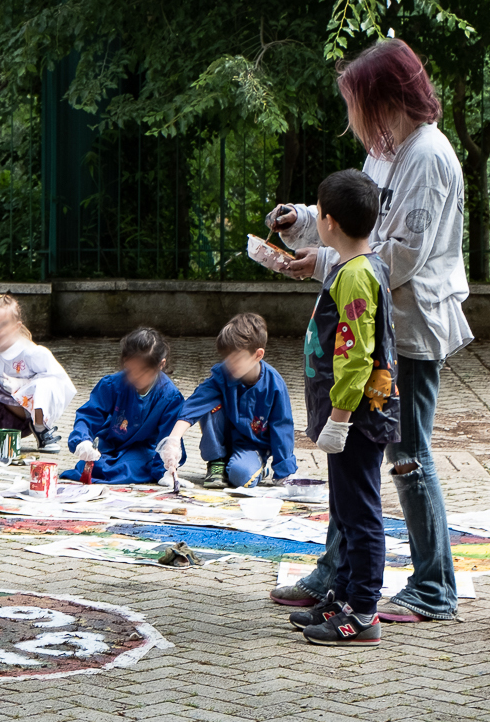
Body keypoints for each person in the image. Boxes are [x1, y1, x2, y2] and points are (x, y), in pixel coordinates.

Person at [264, 38, 471, 623]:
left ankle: (434, 587)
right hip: (376, 327)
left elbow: (399, 256)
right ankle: (338, 572)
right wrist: (304, 221)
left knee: (408, 457)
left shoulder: (428, 157)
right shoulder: (387, 147)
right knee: (352, 460)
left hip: (408, 332)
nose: (352, 116)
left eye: (357, 101)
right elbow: (357, 218)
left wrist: (324, 261)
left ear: (385, 98)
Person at [287, 170, 397, 646]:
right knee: (346, 510)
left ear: (328, 222)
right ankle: (345, 597)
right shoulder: (361, 266)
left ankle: (364, 612)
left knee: (360, 514)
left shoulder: (356, 275)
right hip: (353, 414)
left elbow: (355, 353)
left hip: (356, 418)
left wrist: (339, 418)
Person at [158, 312, 296, 488]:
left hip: (251, 447)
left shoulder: (274, 385)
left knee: (241, 477)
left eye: (236, 359)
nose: (230, 365)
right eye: (227, 359)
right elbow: (196, 403)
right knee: (209, 403)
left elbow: (282, 429)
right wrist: (174, 439)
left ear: (258, 355)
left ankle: (260, 468)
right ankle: (216, 461)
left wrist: (284, 472)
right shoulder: (222, 374)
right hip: (225, 438)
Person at [0, 294, 76, 452]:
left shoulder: (33, 352)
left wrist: (23, 384)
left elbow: (59, 382)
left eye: (2, 325)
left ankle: (41, 431)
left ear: (16, 327)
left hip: (30, 415)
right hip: (3, 416)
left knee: (46, 381)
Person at [65, 327, 187, 483]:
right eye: (130, 370)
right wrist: (82, 441)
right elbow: (89, 415)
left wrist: (164, 470)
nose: (135, 377)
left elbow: (168, 437)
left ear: (160, 365)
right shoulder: (113, 384)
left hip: (143, 450)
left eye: (143, 372)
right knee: (91, 465)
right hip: (110, 443)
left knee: (125, 468)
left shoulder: (170, 397)